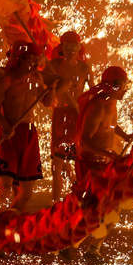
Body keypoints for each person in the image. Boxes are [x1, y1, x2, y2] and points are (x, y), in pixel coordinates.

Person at [74, 66, 133, 261]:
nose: (126, 90)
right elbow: (85, 141)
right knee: (98, 209)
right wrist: (110, 156)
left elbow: (109, 125)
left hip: (104, 163)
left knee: (111, 208)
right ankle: (73, 245)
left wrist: (125, 135)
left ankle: (91, 248)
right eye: (124, 86)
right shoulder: (98, 106)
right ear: (113, 86)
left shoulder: (111, 103)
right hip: (92, 165)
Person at [0, 41, 54, 211]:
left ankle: (13, 217)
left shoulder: (37, 79)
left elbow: (47, 102)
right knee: (5, 185)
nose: (34, 63)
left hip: (28, 133)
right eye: (30, 59)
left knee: (26, 192)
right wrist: (5, 125)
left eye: (36, 59)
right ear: (19, 60)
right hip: (9, 134)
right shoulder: (7, 80)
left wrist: (52, 90)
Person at [44, 31, 92, 203]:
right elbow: (47, 91)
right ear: (62, 48)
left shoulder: (85, 68)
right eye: (67, 46)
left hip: (77, 117)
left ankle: (78, 193)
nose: (71, 49)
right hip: (60, 116)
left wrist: (88, 111)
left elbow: (92, 92)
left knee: (74, 160)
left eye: (74, 46)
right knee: (58, 163)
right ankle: (56, 202)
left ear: (79, 47)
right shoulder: (54, 65)